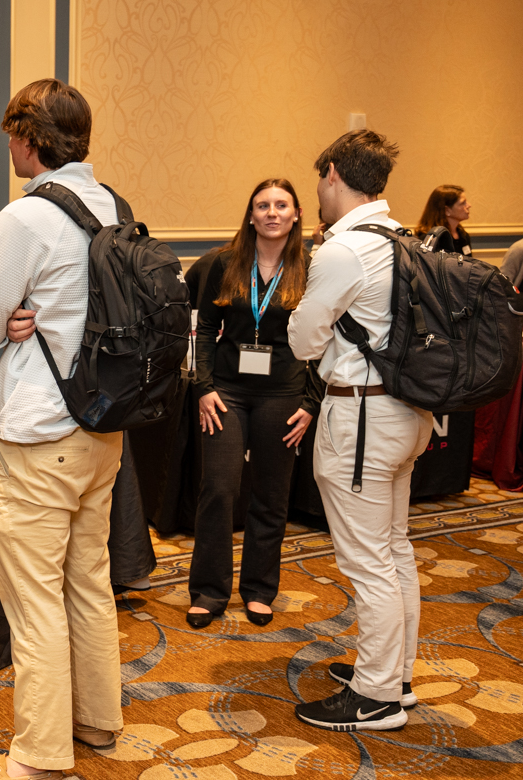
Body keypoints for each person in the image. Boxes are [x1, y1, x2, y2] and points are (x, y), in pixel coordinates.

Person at [0, 78, 123, 780]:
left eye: (10, 137)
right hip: (103, 429)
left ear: (29, 138)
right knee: (88, 579)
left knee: (34, 604)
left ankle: (39, 757)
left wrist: (18, 316)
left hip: (39, 434)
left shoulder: (25, 217)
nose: (8, 150)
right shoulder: (112, 204)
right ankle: (97, 719)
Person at [288, 129, 434, 732]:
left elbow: (302, 337)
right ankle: (392, 673)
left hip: (363, 418)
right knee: (394, 548)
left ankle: (375, 698)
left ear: (330, 174)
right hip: (407, 413)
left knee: (370, 561)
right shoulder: (406, 239)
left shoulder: (345, 250)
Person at [186, 179, 319, 629]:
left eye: (282, 205)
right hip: (226, 393)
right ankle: (208, 590)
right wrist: (203, 387)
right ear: (250, 214)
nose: (272, 213)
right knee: (219, 488)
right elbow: (204, 330)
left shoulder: (311, 267)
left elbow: (327, 339)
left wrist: (312, 402)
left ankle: (260, 589)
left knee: (271, 495)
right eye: (263, 205)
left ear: (296, 214)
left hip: (283, 394)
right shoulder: (225, 262)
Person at [414, 184, 472, 255]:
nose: (469, 205)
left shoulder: (463, 235)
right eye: (463, 203)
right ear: (447, 210)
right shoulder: (430, 240)